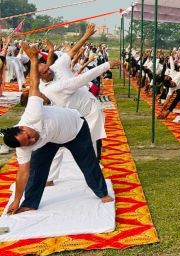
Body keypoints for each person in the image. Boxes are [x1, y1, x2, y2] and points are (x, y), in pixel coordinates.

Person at [2, 42, 113, 214]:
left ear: (24, 128)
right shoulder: (24, 147)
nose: (32, 140)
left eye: (29, 136)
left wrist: (33, 60)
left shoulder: (33, 114)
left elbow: (34, 86)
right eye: (28, 143)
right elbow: (23, 173)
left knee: (88, 163)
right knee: (36, 170)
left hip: (75, 129)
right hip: (50, 139)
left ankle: (101, 193)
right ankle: (30, 203)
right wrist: (16, 200)